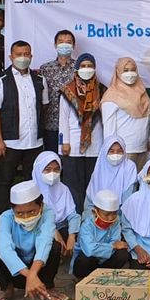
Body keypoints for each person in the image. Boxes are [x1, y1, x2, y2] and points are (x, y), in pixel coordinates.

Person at [0, 39, 48, 215]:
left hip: (34, 142)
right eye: (18, 54)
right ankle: (4, 220)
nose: (22, 58)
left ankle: (31, 217)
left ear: (31, 56)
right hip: (10, 142)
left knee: (32, 182)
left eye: (26, 54)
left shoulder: (40, 80)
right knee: (5, 182)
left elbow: (44, 107)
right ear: (11, 56)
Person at [0, 181, 68, 300]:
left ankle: (48, 286)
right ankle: (7, 289)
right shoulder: (6, 217)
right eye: (19, 213)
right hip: (16, 270)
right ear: (12, 210)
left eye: (31, 211)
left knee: (54, 247)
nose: (26, 217)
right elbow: (5, 249)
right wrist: (30, 276)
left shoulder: (48, 213)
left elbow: (45, 242)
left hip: (39, 268)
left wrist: (33, 274)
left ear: (41, 206)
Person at [59, 53, 105, 208]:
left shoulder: (102, 90)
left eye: (90, 66)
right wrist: (63, 143)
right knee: (73, 185)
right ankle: (75, 217)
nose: (87, 69)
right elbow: (63, 120)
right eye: (83, 66)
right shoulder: (67, 90)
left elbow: (105, 120)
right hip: (72, 145)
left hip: (96, 144)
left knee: (93, 184)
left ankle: (90, 218)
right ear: (77, 68)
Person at [102, 56, 150, 170]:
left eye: (133, 70)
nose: (130, 73)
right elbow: (108, 126)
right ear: (118, 72)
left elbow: (147, 117)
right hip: (123, 150)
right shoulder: (112, 95)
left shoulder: (142, 91)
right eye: (126, 70)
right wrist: (111, 150)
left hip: (143, 148)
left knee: (140, 184)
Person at [73, 190, 130, 280]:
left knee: (123, 253)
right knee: (85, 257)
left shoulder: (116, 221)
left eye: (114, 213)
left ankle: (106, 277)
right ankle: (82, 279)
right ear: (94, 212)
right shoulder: (87, 225)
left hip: (105, 261)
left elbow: (116, 241)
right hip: (87, 262)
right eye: (106, 215)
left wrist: (112, 246)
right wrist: (112, 246)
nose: (111, 218)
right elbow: (90, 249)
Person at [33, 151, 79, 262]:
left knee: (79, 234)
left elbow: (73, 215)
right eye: (47, 169)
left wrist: (72, 236)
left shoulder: (63, 189)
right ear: (39, 170)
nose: (52, 174)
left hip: (60, 225)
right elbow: (35, 219)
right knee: (48, 240)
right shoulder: (31, 190)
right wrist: (53, 231)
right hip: (38, 227)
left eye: (56, 169)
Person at [37, 29, 76, 157]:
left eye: (68, 42)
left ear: (73, 46)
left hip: (72, 124)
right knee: (52, 159)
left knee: (70, 162)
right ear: (55, 45)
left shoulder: (79, 68)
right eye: (61, 42)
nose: (64, 44)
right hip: (51, 124)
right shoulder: (45, 69)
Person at [84, 136, 138, 213]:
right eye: (111, 151)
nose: (115, 154)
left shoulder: (129, 167)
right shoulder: (100, 168)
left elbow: (128, 201)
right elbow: (89, 204)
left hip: (120, 216)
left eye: (119, 151)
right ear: (105, 152)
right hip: (97, 217)